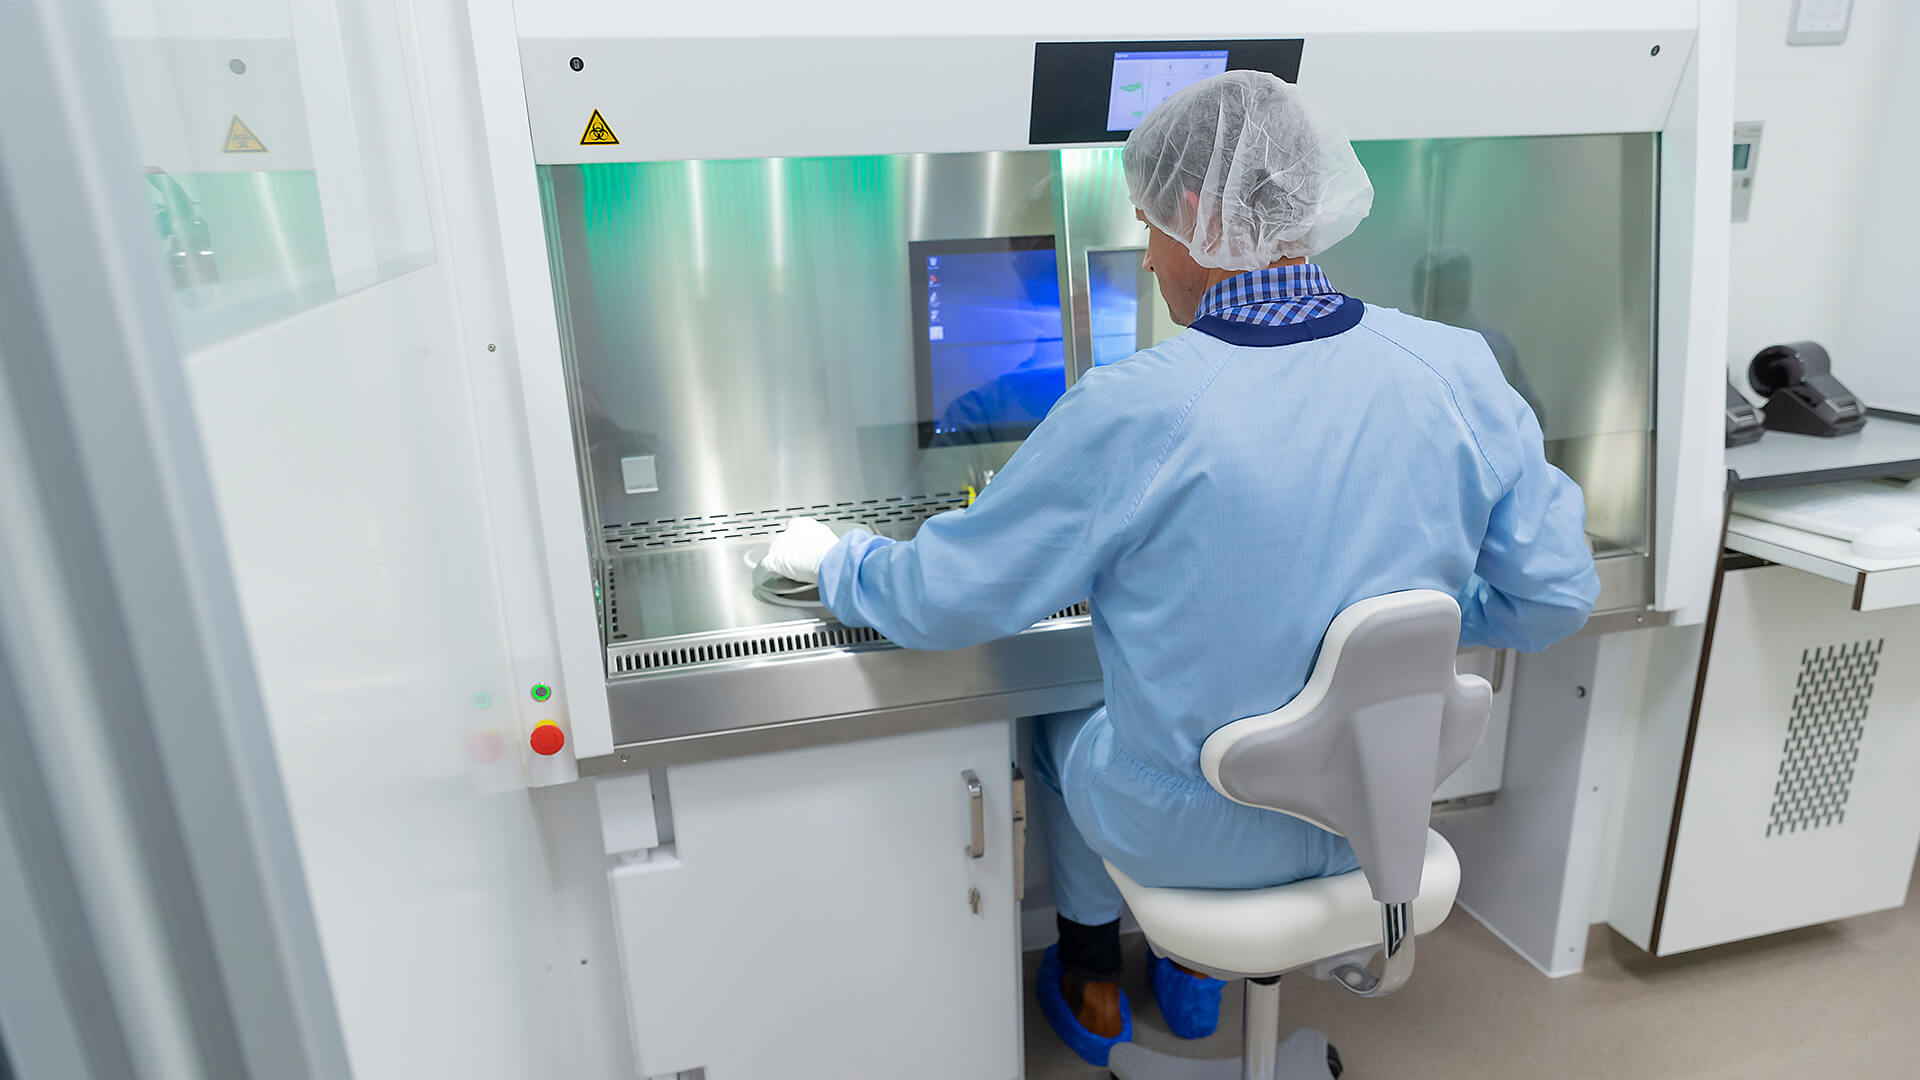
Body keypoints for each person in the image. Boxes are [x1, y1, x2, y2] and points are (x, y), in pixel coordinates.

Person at [762, 71, 1598, 1066]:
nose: (1152, 255)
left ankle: (1091, 970)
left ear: (1197, 216)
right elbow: (1553, 597)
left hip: (1197, 837)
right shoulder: (1455, 366)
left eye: (1151, 224)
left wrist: (835, 563)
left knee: (1064, 704)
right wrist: (1409, 609)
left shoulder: (1135, 406)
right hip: (1374, 811)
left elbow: (945, 601)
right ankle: (1194, 984)